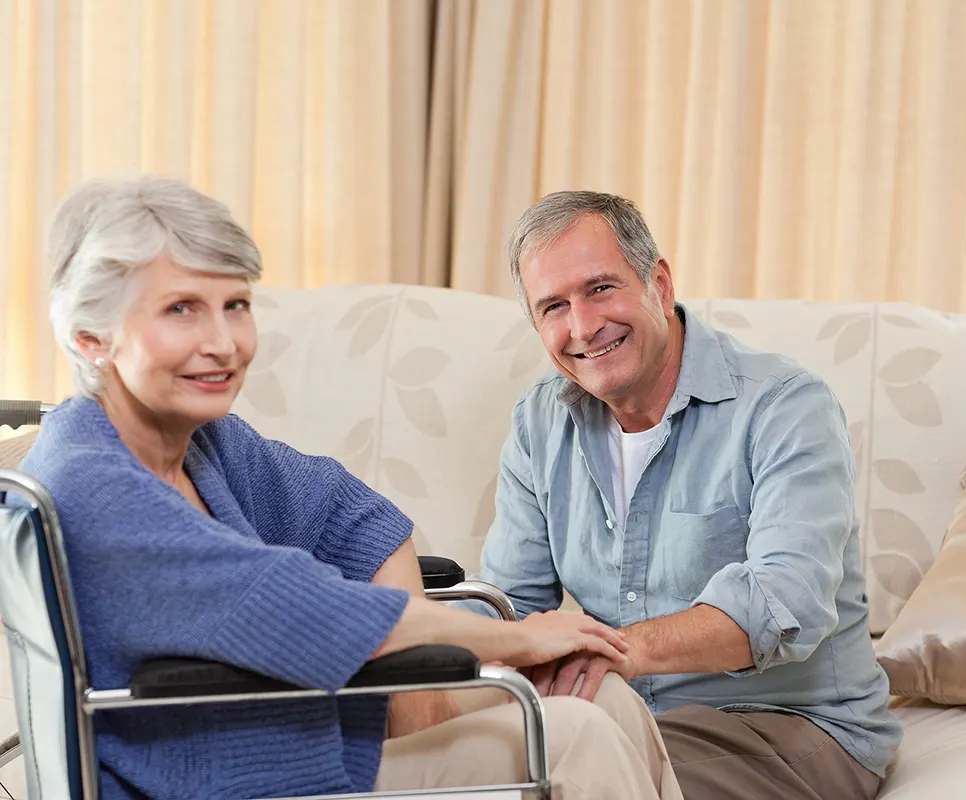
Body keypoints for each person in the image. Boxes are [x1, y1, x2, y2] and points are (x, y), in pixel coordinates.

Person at [19, 176, 682, 800]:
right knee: (574, 732)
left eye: (236, 306)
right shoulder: (94, 485)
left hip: (309, 730)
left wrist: (417, 701)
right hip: (233, 778)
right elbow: (296, 605)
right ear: (92, 339)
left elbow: (354, 515)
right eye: (182, 310)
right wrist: (520, 638)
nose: (222, 343)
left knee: (599, 692)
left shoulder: (204, 442)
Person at [469, 190, 904, 800]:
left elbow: (786, 601)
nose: (583, 326)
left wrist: (619, 651)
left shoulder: (784, 405)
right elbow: (509, 602)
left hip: (784, 729)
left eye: (600, 289)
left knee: (570, 788)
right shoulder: (540, 423)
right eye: (554, 307)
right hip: (623, 719)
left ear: (659, 282)